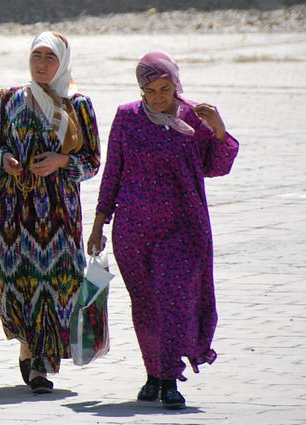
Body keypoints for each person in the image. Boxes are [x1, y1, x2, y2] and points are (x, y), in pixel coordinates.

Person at [87, 51, 238, 410]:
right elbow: (113, 172)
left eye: (165, 89)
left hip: (183, 229)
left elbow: (216, 167)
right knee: (145, 304)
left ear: (176, 84)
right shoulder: (127, 118)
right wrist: (97, 224)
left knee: (175, 299)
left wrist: (218, 129)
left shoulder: (195, 118)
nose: (158, 97)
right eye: (150, 91)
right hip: (133, 230)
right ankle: (153, 373)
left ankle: (170, 378)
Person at [0, 31, 100, 393]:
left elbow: (93, 161)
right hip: (13, 213)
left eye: (50, 58)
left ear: (63, 61)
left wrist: (61, 161)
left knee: (57, 285)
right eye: (37, 56)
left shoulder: (77, 104)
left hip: (59, 217)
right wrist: (6, 160)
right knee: (14, 282)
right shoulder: (10, 99)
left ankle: (43, 363)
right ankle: (26, 344)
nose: (42, 64)